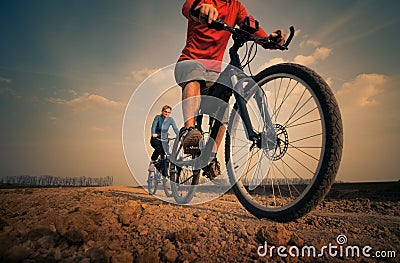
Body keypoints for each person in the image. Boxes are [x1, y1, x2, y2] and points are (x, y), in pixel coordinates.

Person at [174, 0, 286, 179]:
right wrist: (200, 10)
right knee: (195, 74)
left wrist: (268, 40)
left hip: (213, 73)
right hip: (189, 61)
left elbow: (249, 25)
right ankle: (189, 131)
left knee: (224, 102)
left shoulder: (236, 6)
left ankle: (210, 157)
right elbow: (187, 7)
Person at [149, 105, 179, 172]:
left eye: (169, 112)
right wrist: (153, 133)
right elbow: (153, 126)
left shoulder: (170, 120)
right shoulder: (158, 117)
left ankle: (165, 172)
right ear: (162, 111)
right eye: (165, 111)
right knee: (159, 149)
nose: (167, 113)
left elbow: (175, 129)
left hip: (165, 139)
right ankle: (152, 162)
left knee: (167, 154)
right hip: (156, 138)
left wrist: (180, 135)